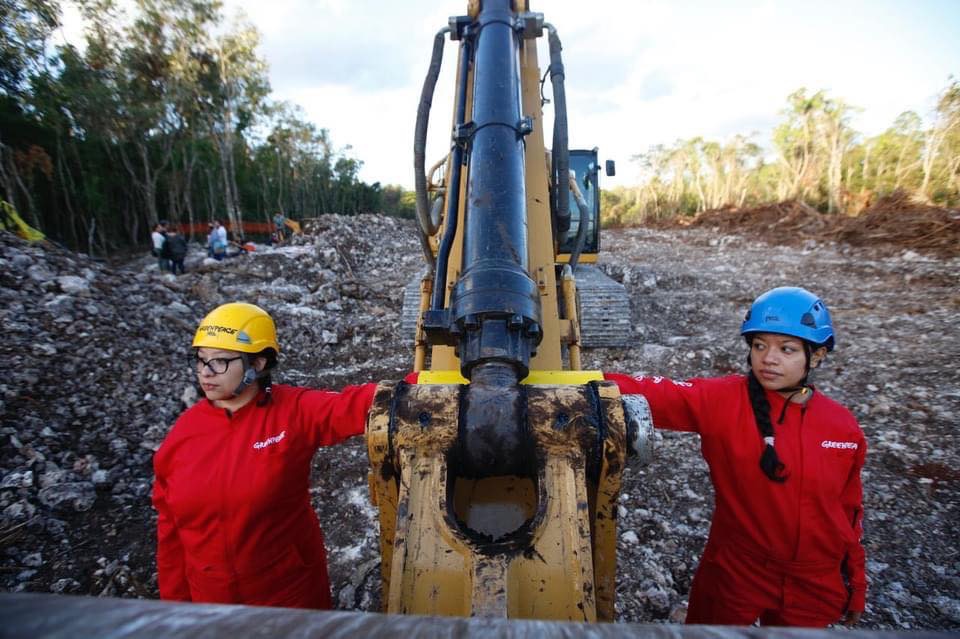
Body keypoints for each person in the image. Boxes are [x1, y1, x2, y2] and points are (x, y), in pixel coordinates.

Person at [605, 287, 866, 627]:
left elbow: (850, 512)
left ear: (816, 356)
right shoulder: (724, 401)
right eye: (760, 346)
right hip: (737, 570)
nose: (768, 359)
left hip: (815, 581)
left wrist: (855, 585)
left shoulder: (842, 427)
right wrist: (572, 382)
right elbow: (656, 391)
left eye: (786, 349)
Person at [152, 302, 377, 608]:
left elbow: (357, 404)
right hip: (212, 602)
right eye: (201, 360)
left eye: (219, 362)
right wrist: (173, 609)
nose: (205, 373)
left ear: (257, 364)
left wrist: (435, 385)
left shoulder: (292, 412)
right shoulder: (184, 434)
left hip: (287, 595)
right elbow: (170, 531)